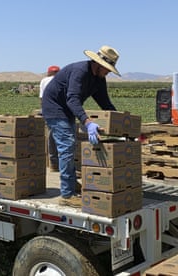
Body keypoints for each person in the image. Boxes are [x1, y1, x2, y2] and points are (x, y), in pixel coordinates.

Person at [41, 45, 120, 207]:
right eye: (107, 69)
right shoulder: (80, 71)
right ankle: (67, 195)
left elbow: (104, 102)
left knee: (69, 145)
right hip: (54, 107)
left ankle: (70, 183)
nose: (108, 72)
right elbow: (72, 99)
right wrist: (88, 122)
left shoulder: (99, 79)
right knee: (67, 146)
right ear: (98, 65)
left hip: (67, 109)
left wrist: (120, 122)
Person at [39, 65, 60, 172]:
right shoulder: (61, 80)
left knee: (51, 135)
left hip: (48, 110)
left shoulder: (44, 80)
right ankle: (57, 163)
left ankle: (53, 163)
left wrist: (42, 110)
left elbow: (42, 98)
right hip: (59, 111)